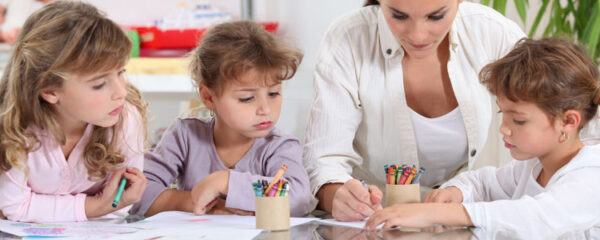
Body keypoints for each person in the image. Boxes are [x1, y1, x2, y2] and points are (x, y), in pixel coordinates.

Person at [302, 0, 531, 221]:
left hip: (454, 217)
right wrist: (339, 197)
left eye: (436, 16)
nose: (417, 35)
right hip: (371, 220)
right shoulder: (349, 37)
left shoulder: (493, 32)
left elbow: (549, 120)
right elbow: (323, 164)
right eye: (399, 16)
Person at [364, 38, 600, 239]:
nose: (504, 129)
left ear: (568, 122)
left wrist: (439, 213)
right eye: (502, 113)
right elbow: (484, 183)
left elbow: (536, 218)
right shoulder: (534, 165)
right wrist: (456, 192)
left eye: (518, 121)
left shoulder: (591, 175)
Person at [130, 21, 312, 217]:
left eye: (274, 93)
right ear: (209, 97)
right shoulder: (185, 135)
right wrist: (195, 202)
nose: (265, 109)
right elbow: (137, 193)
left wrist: (225, 182)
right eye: (247, 98)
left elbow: (298, 199)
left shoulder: (280, 147)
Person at [0, 1, 148, 222]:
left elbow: (118, 205)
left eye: (120, 72)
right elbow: (15, 207)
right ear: (49, 91)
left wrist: (104, 206)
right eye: (99, 84)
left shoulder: (125, 120)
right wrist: (96, 205)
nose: (121, 92)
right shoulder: (14, 126)